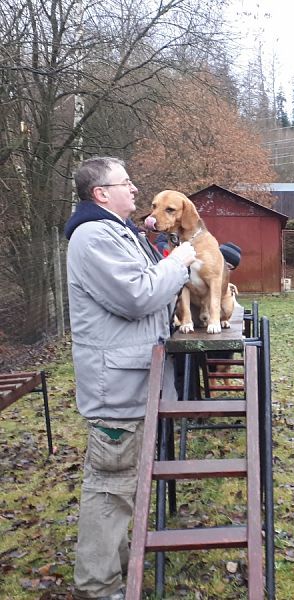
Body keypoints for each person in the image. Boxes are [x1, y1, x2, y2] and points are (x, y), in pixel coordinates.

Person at [65, 156, 196, 600]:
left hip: (134, 378)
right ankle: (98, 588)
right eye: (126, 183)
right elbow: (138, 295)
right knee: (109, 486)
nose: (135, 189)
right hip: (117, 388)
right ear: (100, 194)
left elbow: (149, 291)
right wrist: (178, 262)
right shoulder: (93, 237)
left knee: (126, 482)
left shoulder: (118, 232)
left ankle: (119, 569)